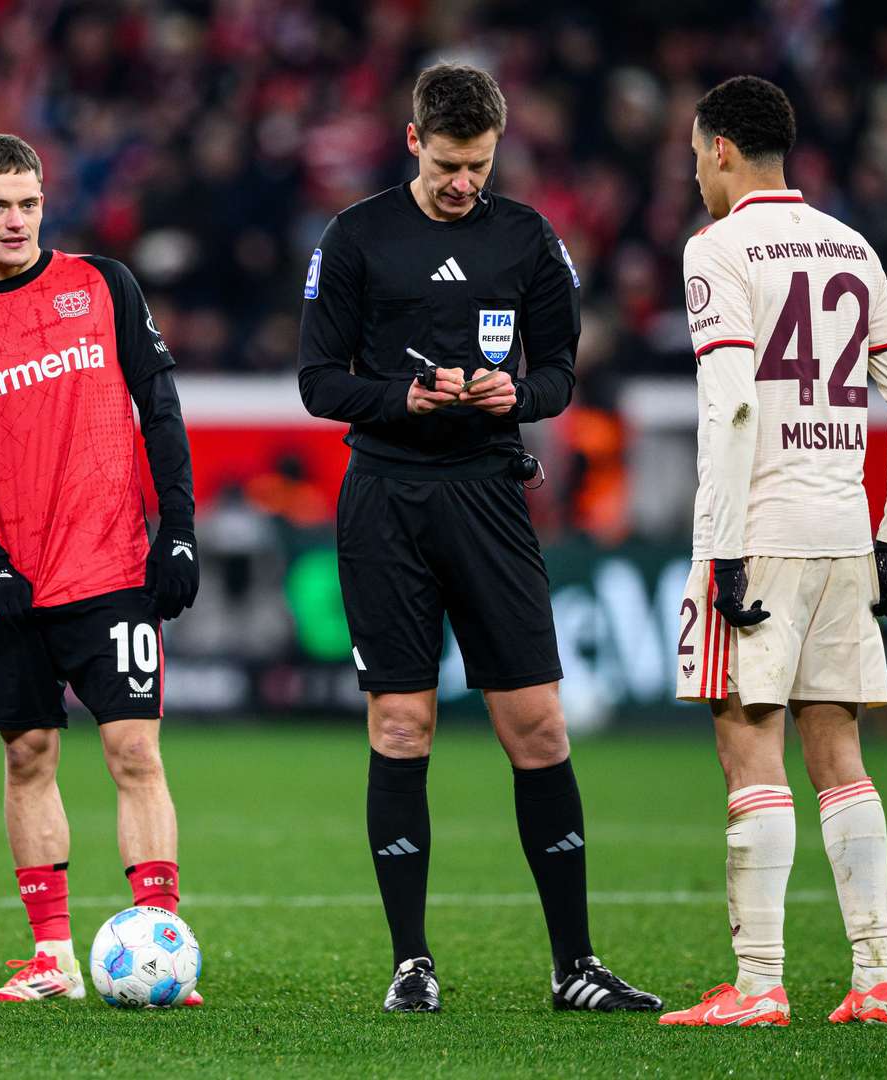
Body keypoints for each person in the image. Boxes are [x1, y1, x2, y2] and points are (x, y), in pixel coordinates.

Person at [297, 62, 657, 1015]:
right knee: (402, 723)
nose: (466, 184)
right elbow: (317, 381)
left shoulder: (527, 237)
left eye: (481, 166)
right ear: (412, 141)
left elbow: (560, 374)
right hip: (385, 498)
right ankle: (411, 963)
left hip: (489, 497)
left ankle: (574, 966)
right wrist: (401, 396)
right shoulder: (356, 236)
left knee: (537, 726)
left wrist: (518, 394)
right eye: (451, 164)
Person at [660, 76, 887, 1029]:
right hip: (842, 527)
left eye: (697, 153)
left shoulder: (718, 248)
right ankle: (875, 978)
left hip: (760, 528)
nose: (695, 171)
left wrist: (725, 550)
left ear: (724, 150)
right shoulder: (850, 243)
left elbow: (734, 402)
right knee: (841, 753)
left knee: (748, 744)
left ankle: (762, 982)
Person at [0, 134, 201, 1004]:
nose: (14, 220)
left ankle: (163, 942)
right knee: (27, 753)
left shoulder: (103, 285)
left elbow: (160, 407)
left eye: (28, 203)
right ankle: (53, 958)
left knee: (134, 751)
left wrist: (177, 529)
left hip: (112, 564)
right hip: (15, 586)